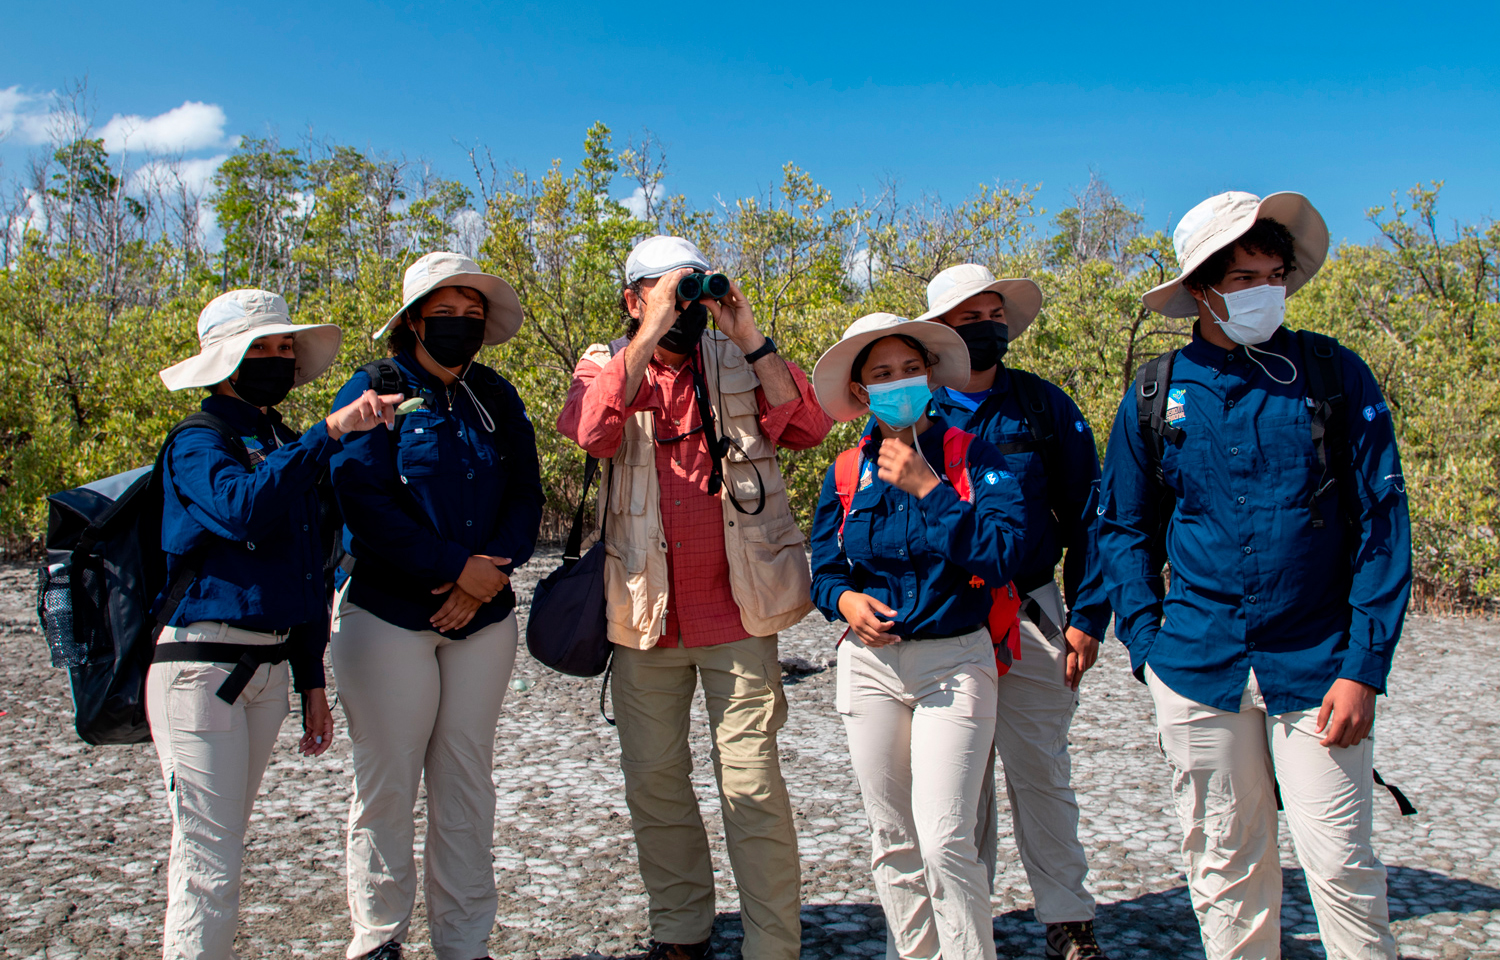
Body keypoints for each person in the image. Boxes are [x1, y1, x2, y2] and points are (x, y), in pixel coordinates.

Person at [1098, 191, 1411, 960]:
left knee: (1344, 871)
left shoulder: (1335, 376)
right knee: (1225, 874)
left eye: (1276, 272)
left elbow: (1383, 524)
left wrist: (1364, 667)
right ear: (1203, 289)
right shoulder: (1153, 392)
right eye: (1244, 278)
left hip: (1321, 666)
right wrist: (1147, 647)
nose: (1265, 290)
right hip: (1197, 667)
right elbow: (1124, 527)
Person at [557, 235, 832, 960]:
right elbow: (592, 431)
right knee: (656, 784)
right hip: (643, 614)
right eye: (670, 291)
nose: (688, 307)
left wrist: (746, 329)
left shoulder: (740, 357)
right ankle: (681, 930)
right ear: (632, 297)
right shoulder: (604, 363)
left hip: (739, 611)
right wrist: (647, 334)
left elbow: (808, 426)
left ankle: (773, 946)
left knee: (754, 788)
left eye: (694, 292)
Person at [151, 288, 401, 960]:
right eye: (261, 348)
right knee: (208, 856)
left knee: (226, 842)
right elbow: (239, 510)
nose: (279, 358)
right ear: (226, 361)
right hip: (200, 668)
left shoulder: (281, 441)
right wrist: (329, 432)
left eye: (285, 347)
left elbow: (307, 571)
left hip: (265, 667)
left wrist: (309, 681)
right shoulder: (198, 442)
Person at [327, 252, 543, 960]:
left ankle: (465, 941)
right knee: (387, 781)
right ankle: (377, 937)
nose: (459, 326)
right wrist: (455, 570)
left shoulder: (497, 396)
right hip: (387, 615)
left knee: (465, 779)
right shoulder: (376, 390)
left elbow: (525, 497)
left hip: (484, 621)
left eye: (471, 315)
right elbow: (364, 500)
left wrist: (484, 577)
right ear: (414, 319)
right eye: (444, 314)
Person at [808, 313, 1033, 960]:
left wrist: (930, 489)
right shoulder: (846, 471)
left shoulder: (972, 455)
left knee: (944, 840)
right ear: (860, 393)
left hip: (954, 664)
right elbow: (824, 570)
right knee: (893, 841)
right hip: (871, 671)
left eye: (910, 369)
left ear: (931, 376)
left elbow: (1001, 554)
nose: (899, 383)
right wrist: (845, 600)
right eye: (882, 375)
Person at [917, 264, 1112, 960]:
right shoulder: (913, 409)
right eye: (969, 317)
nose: (987, 326)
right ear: (940, 332)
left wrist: (1089, 615)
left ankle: (1068, 919)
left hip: (1032, 610)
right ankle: (968, 928)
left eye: (994, 313)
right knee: (955, 787)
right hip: (943, 617)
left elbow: (1093, 513)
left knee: (1041, 769)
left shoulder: (1041, 406)